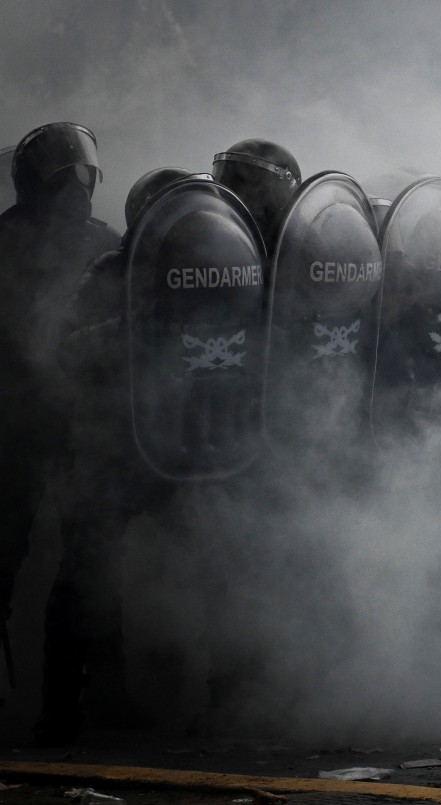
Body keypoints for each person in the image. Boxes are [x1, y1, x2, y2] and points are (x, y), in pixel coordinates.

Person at [35, 167, 200, 745]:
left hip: (180, 447)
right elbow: (68, 351)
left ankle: (209, 698)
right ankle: (64, 706)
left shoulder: (212, 282)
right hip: (106, 448)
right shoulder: (110, 272)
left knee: (213, 562)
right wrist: (130, 325)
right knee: (85, 573)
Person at [0, 122, 120, 745]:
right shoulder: (4, 244)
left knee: (91, 563)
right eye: (65, 175)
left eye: (86, 173)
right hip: (16, 425)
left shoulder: (107, 246)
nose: (81, 185)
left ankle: (86, 705)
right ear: (35, 185)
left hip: (82, 422)